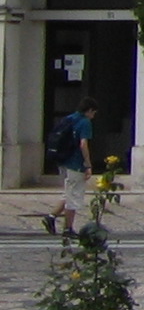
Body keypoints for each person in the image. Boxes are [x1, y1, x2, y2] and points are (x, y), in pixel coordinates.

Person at [44, 95, 94, 235]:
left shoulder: (70, 118)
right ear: (89, 110)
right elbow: (83, 144)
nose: (93, 116)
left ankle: (52, 216)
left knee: (68, 192)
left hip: (63, 161)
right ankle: (68, 227)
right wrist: (88, 164)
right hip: (75, 163)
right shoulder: (85, 122)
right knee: (74, 196)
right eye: (93, 113)